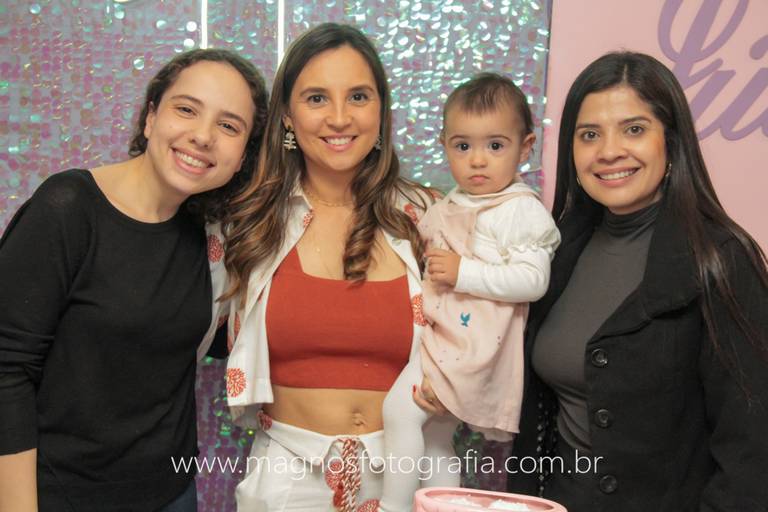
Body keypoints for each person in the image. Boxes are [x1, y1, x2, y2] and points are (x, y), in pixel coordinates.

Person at [202, 23, 458, 512]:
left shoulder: (430, 215)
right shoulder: (244, 221)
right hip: (286, 478)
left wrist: (464, 387)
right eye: (316, 98)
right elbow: (175, 329)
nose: (339, 118)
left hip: (407, 475)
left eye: (358, 96)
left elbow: (485, 326)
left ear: (381, 110)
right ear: (287, 116)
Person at [0, 49, 268, 512]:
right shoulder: (67, 208)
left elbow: (220, 339)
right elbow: (7, 370)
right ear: (150, 117)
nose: (203, 136)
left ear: (243, 155)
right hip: (62, 496)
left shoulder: (211, 237)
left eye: (229, 126)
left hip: (172, 494)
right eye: (187, 109)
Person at [507, 51, 768, 510]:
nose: (609, 151)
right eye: (590, 134)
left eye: (633, 129)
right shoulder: (554, 250)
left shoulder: (721, 259)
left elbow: (752, 453)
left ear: (671, 141)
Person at [378, 73, 560, 512]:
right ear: (444, 145)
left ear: (525, 147)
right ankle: (441, 505)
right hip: (442, 333)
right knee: (437, 435)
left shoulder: (519, 210)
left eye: (495, 145)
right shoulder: (452, 202)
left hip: (472, 345)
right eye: (462, 146)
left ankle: (392, 506)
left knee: (399, 412)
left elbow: (533, 281)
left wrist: (464, 272)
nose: (478, 160)